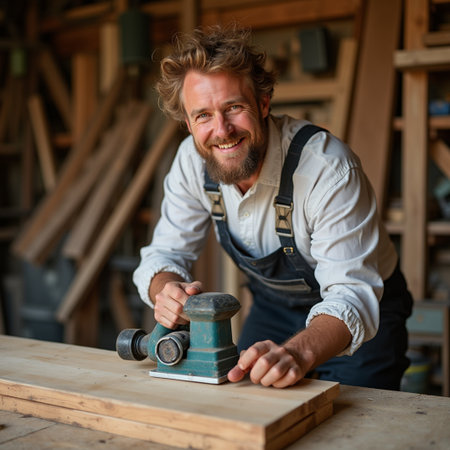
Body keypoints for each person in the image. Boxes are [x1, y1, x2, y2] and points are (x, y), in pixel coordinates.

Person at [133, 25, 413, 389]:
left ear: (263, 103)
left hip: (361, 315)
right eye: (203, 115)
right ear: (188, 123)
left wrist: (299, 353)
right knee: (243, 402)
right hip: (273, 310)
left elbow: (351, 295)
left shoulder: (327, 169)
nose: (222, 130)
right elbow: (165, 253)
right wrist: (165, 292)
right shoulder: (191, 162)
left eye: (234, 108)